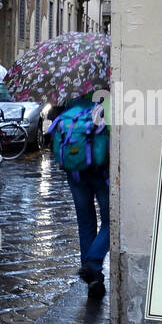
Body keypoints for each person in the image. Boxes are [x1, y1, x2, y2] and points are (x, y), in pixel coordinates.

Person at [48, 94, 110, 300]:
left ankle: (93, 281)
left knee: (86, 223)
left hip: (75, 173)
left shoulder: (70, 105)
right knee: (111, 221)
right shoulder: (104, 103)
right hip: (101, 173)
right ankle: (92, 264)